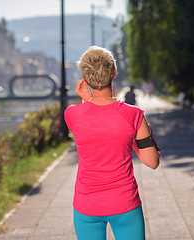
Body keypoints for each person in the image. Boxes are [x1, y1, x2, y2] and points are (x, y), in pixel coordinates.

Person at [64, 46, 160, 240]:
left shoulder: (72, 114)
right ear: (114, 73)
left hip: (87, 205)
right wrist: (131, 132)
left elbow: (93, 121)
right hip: (125, 203)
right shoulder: (134, 115)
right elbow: (152, 161)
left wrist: (87, 101)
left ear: (84, 76)